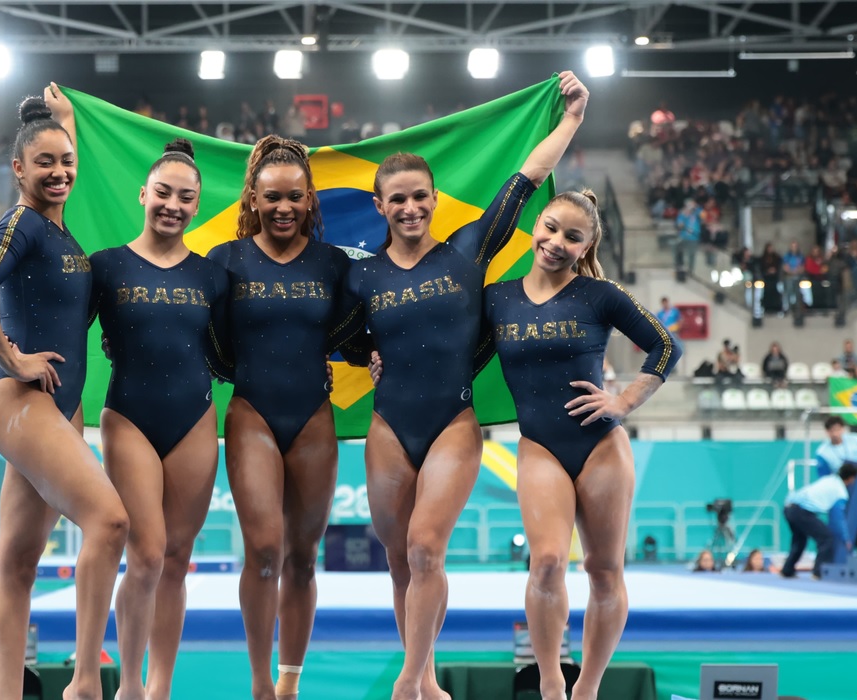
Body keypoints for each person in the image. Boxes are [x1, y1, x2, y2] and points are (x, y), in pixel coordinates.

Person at [351, 71, 588, 700]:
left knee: (426, 548)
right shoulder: (363, 276)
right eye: (397, 199)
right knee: (400, 561)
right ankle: (427, 681)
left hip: (452, 424)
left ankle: (407, 682)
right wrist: (361, 354)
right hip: (387, 426)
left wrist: (570, 119)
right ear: (379, 205)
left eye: (419, 197)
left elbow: (527, 179)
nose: (409, 208)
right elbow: (328, 333)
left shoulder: (466, 250)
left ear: (435, 198)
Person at [46, 85, 231, 700]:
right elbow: (59, 316)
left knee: (176, 560)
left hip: (195, 420)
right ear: (143, 195)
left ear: (198, 205)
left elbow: (246, 344)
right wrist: (10, 351)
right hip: (128, 417)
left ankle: (160, 689)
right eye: (164, 193)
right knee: (146, 554)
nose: (173, 205)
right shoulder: (106, 266)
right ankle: (126, 685)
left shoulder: (212, 274)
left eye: (186, 197)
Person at [0, 91, 129, 700]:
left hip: (60, 406)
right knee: (110, 521)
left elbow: (62, 163)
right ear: (18, 169)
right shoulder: (23, 223)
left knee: (18, 563)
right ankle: (84, 682)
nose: (60, 172)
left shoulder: (59, 229)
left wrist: (67, 123)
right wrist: (10, 356)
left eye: (67, 161)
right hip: (23, 400)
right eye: (45, 162)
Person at [476, 185, 680, 699]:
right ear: (535, 226)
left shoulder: (599, 295)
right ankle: (551, 684)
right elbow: (452, 355)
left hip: (601, 447)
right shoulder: (497, 298)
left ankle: (586, 688)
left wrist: (624, 400)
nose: (556, 242)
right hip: (540, 446)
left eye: (572, 237)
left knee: (603, 570)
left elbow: (665, 345)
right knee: (546, 562)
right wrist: (380, 361)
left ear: (586, 247)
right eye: (550, 228)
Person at [206, 136, 369, 700]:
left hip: (313, 419)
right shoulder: (225, 261)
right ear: (252, 198)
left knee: (302, 559)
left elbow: (355, 337)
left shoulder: (333, 263)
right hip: (251, 412)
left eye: (295, 197)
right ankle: (259, 684)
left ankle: (289, 684)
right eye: (272, 197)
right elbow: (198, 332)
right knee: (265, 551)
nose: (283, 208)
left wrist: (374, 355)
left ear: (310, 199)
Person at [781, 463, 857, 579]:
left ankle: (787, 570)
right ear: (851, 478)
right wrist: (845, 538)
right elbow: (838, 518)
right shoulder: (840, 492)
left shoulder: (829, 479)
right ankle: (818, 573)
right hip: (802, 511)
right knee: (827, 538)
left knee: (800, 539)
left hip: (788, 508)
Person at [815, 416, 857, 555]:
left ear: (843, 429)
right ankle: (840, 556)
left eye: (838, 429)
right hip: (839, 492)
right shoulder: (822, 452)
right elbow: (824, 477)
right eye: (832, 430)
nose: (835, 433)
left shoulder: (856, 440)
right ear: (827, 432)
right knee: (840, 522)